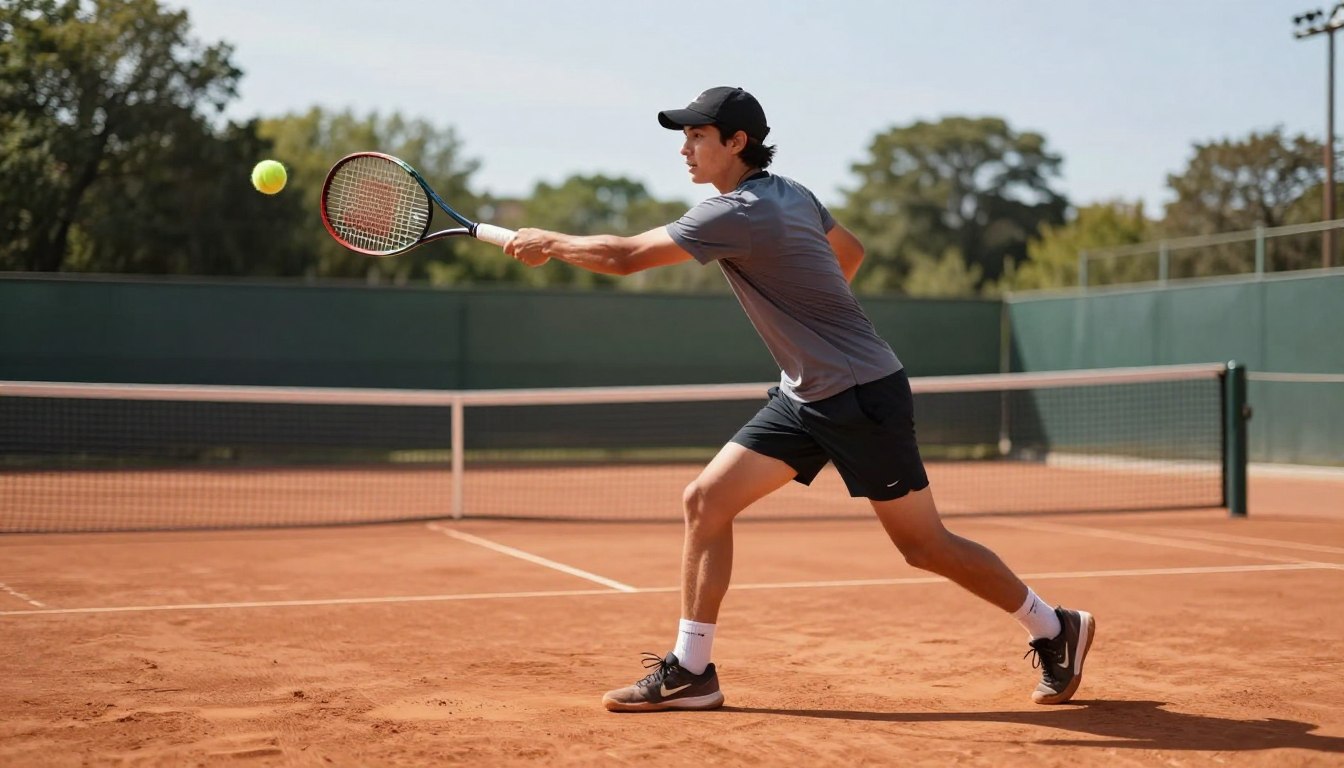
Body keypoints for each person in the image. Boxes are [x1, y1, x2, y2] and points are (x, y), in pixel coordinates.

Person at [504, 86, 1095, 713]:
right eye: (685, 137)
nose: (685, 149)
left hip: (860, 395)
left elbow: (623, 257)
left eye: (698, 136)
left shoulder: (735, 213)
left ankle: (1054, 626)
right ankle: (692, 670)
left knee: (924, 546)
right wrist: (814, 318)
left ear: (737, 142)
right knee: (706, 501)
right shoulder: (792, 193)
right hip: (805, 395)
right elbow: (851, 253)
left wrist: (550, 240)